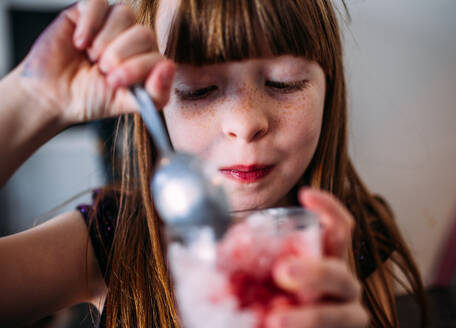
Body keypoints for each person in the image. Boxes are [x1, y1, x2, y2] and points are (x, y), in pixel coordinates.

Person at [0, 0, 428, 327]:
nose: (245, 124)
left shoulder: (356, 237)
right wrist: (30, 104)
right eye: (199, 90)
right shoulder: (111, 239)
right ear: (159, 103)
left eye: (284, 81)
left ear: (328, 88)